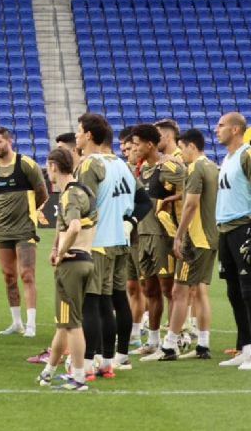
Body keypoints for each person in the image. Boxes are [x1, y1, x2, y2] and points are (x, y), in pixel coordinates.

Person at [75, 114, 152, 378]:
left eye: (78, 131)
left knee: (92, 303)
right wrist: (130, 221)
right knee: (113, 300)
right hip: (121, 242)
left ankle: (86, 364)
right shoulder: (122, 165)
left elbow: (84, 206)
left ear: (88, 135)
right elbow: (144, 200)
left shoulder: (90, 165)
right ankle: (111, 360)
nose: (76, 136)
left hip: (98, 242)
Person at [36, 148, 97, 391]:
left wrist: (61, 252)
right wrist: (55, 247)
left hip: (72, 263)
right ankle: (49, 371)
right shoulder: (86, 191)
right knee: (64, 322)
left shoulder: (70, 195)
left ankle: (79, 377)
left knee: (72, 324)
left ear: (53, 166)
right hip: (86, 259)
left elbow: (72, 227)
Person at [214, 112, 251, 371]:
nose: (217, 129)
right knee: (234, 292)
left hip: (244, 228)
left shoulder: (250, 155)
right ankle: (244, 347)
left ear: (236, 129)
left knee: (250, 290)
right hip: (225, 230)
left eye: (222, 125)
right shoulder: (227, 158)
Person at [0, 127, 49, 338]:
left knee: (27, 275)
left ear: (9, 142)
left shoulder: (26, 164)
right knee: (9, 276)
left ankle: (31, 324)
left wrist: (28, 211)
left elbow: (43, 193)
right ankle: (16, 323)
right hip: (2, 230)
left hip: (25, 228)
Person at [131, 124, 185, 358]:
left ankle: (173, 339)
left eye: (137, 144)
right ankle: (153, 341)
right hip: (142, 236)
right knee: (149, 289)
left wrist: (172, 198)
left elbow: (193, 186)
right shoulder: (142, 170)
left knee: (168, 289)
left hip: (163, 236)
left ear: (149, 145)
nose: (134, 148)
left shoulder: (170, 166)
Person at [164, 128, 218, 361]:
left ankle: (170, 344)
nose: (181, 154)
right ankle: (203, 344)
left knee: (180, 291)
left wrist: (179, 235)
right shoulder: (213, 167)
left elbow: (192, 204)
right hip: (211, 237)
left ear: (191, 146)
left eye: (183, 148)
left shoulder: (195, 168)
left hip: (195, 239)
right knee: (200, 291)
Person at [119, 125, 146, 348]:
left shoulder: (150, 169)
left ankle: (142, 328)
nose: (127, 153)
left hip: (145, 236)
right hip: (128, 236)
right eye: (125, 150)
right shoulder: (125, 171)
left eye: (130, 148)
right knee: (131, 286)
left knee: (147, 286)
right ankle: (134, 331)